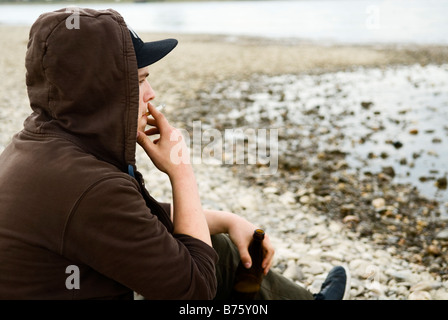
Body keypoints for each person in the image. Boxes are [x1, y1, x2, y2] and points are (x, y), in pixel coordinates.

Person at [0, 7, 349, 300]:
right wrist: (182, 171)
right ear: (100, 92)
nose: (151, 94)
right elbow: (196, 290)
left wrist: (229, 220)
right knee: (203, 265)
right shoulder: (89, 186)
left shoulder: (38, 144)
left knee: (218, 242)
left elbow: (134, 220)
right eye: (138, 81)